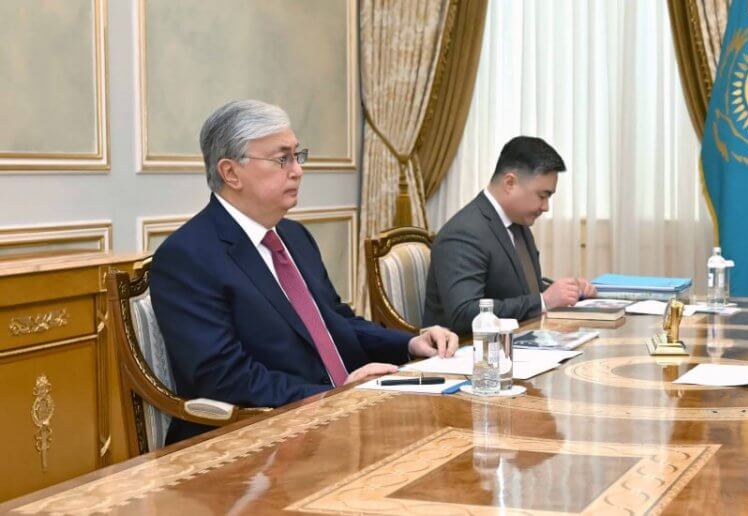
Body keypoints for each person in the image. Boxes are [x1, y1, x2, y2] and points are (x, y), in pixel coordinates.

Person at [152, 100, 457, 444]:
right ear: (230, 173)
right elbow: (221, 377)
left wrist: (411, 343)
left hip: (340, 420)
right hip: (258, 439)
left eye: (298, 156)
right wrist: (333, 396)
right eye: (282, 159)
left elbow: (336, 321)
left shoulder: (294, 236)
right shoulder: (188, 256)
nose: (297, 170)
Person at [423, 136, 597, 334]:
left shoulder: (518, 224)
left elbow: (521, 291)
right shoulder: (463, 233)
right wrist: (544, 301)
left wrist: (570, 291)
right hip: (471, 348)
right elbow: (464, 314)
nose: (546, 207)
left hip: (519, 341)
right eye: (542, 196)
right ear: (510, 183)